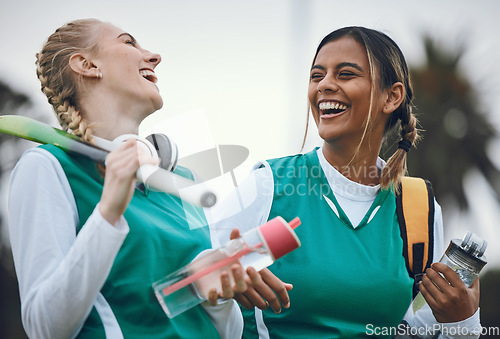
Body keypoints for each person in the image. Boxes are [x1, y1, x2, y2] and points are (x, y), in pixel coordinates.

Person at [210, 26, 481, 338]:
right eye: (317, 76)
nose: (325, 85)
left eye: (345, 74)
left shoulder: (418, 207)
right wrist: (220, 277)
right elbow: (191, 284)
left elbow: (417, 328)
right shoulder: (269, 186)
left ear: (391, 96)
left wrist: (464, 323)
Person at [8, 18, 248, 339]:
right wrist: (109, 212)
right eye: (129, 42)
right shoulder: (47, 167)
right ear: (87, 64)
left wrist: (219, 298)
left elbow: (226, 332)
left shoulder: (184, 180)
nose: (154, 56)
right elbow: (45, 327)